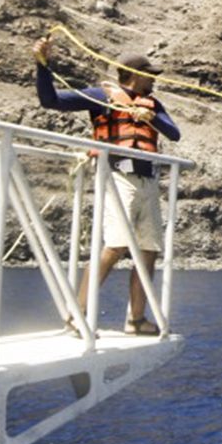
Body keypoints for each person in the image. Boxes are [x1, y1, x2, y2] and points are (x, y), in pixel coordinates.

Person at [33, 35, 181, 336]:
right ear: (136, 74)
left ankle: (136, 320)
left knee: (149, 250)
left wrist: (151, 117)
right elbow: (51, 101)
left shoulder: (153, 103)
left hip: (148, 181)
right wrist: (43, 66)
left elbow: (174, 133)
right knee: (115, 245)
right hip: (118, 178)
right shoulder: (102, 96)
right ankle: (78, 315)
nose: (154, 79)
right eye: (150, 74)